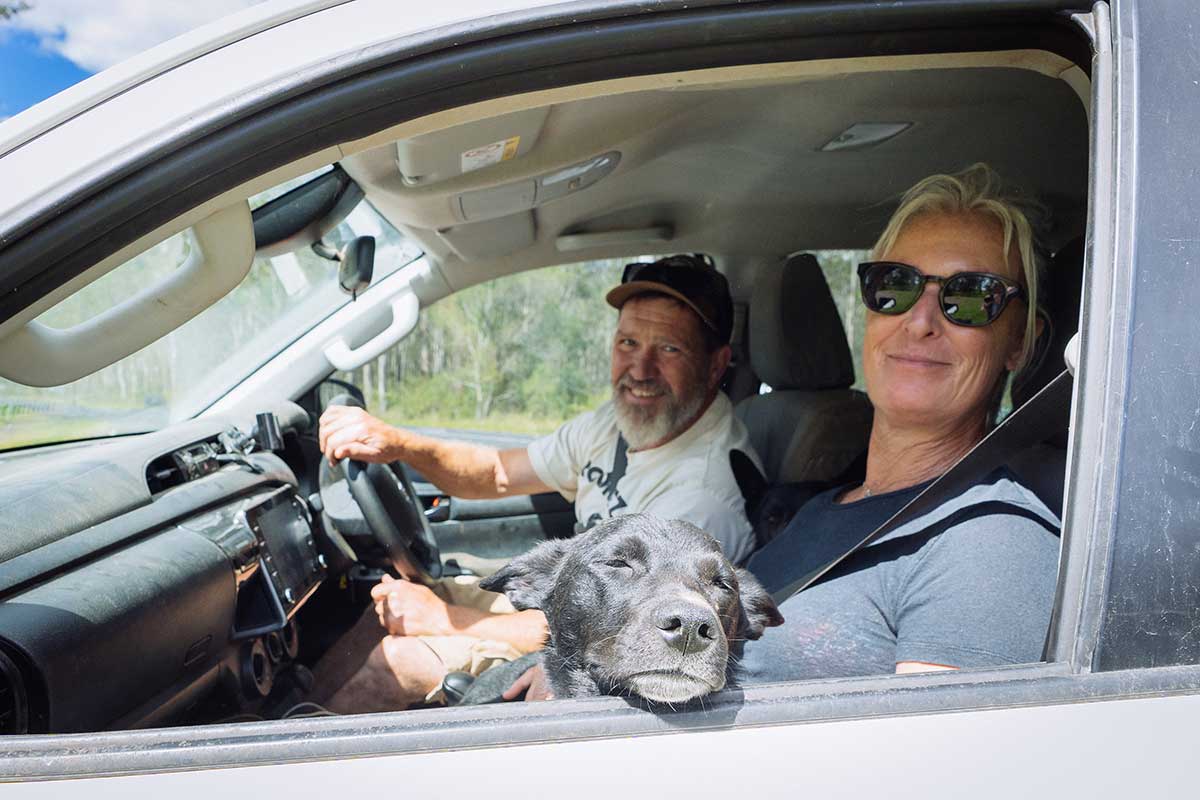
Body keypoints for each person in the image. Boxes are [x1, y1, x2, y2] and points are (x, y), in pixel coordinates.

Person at [314, 254, 763, 711]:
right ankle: (297, 711)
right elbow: (496, 472)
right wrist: (397, 443)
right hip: (586, 599)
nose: (640, 369)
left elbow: (638, 628)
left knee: (394, 660)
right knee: (386, 605)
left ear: (714, 366)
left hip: (622, 642)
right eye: (628, 343)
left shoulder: (704, 497)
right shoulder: (617, 423)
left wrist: (443, 620)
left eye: (669, 349)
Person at [739, 162, 1061, 682]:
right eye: (896, 284)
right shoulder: (822, 510)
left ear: (1020, 342)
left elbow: (928, 763)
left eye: (972, 296)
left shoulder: (991, 545)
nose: (920, 321)